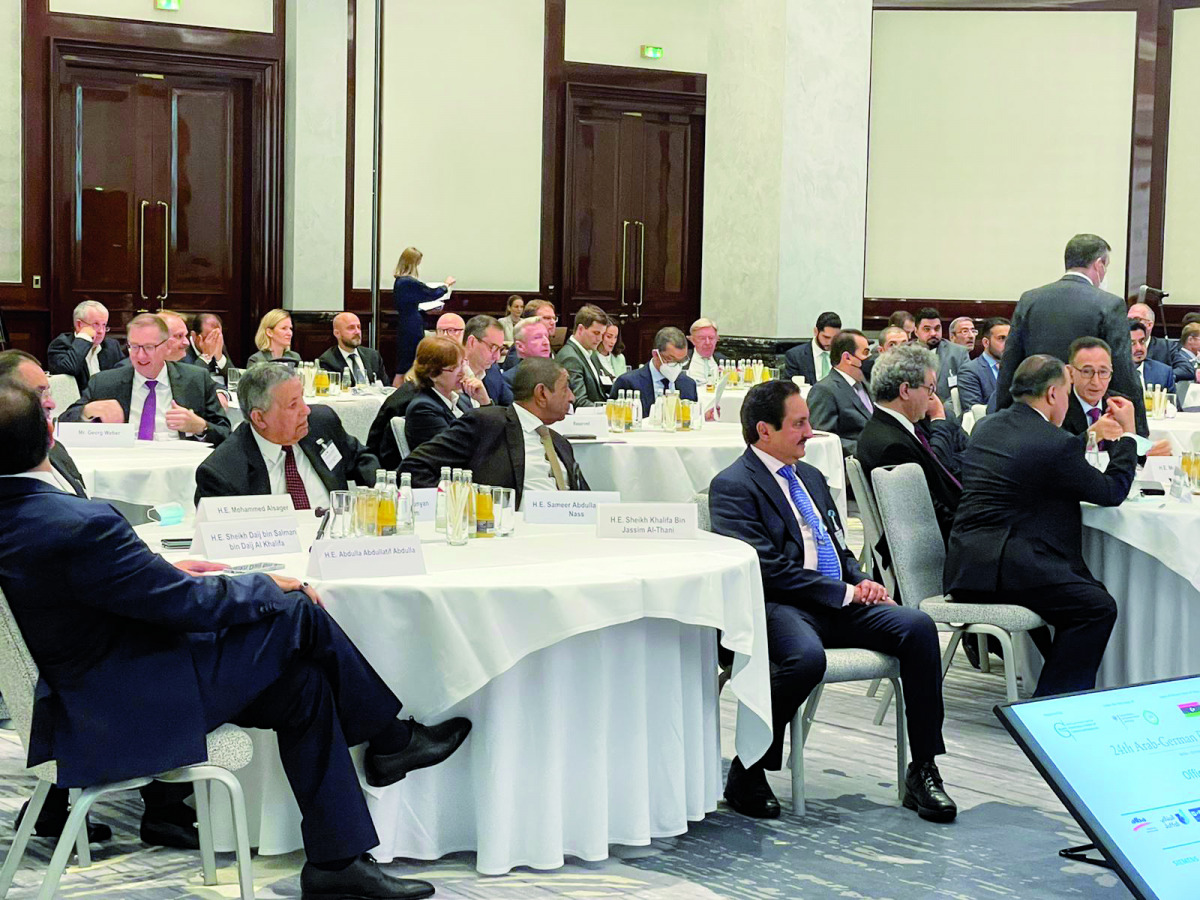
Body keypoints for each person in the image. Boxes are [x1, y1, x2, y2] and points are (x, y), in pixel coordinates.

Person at [0, 379, 470, 900]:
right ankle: (390, 739)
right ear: (50, 433)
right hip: (126, 707)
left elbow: (87, 588)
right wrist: (261, 584)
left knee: (305, 684)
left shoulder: (24, 518)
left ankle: (336, 862)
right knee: (297, 613)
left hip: (85, 694)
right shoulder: (78, 523)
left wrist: (163, 572)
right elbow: (186, 608)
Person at [0, 351, 233, 849]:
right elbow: (70, 549)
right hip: (90, 667)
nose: (52, 405)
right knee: (248, 627)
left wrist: (152, 565)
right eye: (40, 398)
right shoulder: (26, 482)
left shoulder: (49, 458)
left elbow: (82, 545)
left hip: (81, 621)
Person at [707, 380, 955, 823]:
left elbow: (838, 548)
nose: (811, 432)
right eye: (799, 424)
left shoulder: (812, 477)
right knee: (804, 659)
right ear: (764, 431)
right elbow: (765, 568)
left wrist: (862, 580)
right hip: (776, 606)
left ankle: (923, 770)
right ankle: (748, 772)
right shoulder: (732, 486)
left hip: (834, 602)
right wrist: (842, 591)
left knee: (917, 626)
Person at [945, 355, 1136, 697]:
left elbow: (1041, 459)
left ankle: (1055, 690)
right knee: (1095, 607)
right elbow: (1110, 492)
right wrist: (1128, 438)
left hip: (967, 562)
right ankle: (1051, 706)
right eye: (1067, 392)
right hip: (1006, 566)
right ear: (1052, 394)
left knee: (1085, 599)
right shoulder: (1053, 442)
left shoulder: (986, 425)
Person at [995, 233, 1147, 435]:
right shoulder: (1110, 304)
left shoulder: (1030, 299)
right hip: (1086, 420)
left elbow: (1010, 363)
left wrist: (1002, 417)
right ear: (1100, 264)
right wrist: (1138, 431)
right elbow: (1121, 369)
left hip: (1033, 413)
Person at [401, 358, 588, 509]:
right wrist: (465, 504)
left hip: (569, 535)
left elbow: (587, 500)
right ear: (542, 393)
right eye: (565, 388)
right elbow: (414, 468)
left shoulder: (560, 443)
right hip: (510, 538)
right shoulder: (486, 424)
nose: (572, 397)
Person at [194, 363, 380, 509]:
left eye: (302, 398)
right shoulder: (222, 473)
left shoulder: (321, 423)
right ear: (259, 418)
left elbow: (360, 457)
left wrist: (380, 489)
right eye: (293, 405)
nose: (305, 410)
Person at [60, 314, 229, 446]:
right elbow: (62, 423)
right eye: (134, 346)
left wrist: (200, 427)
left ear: (167, 346)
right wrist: (87, 411)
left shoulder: (196, 379)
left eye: (149, 347)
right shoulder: (105, 382)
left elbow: (226, 434)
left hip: (179, 468)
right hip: (122, 467)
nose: (140, 356)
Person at [855, 344, 962, 544]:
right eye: (929, 388)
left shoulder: (891, 428)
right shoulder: (892, 446)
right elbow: (929, 514)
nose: (932, 397)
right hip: (938, 546)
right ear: (905, 390)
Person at [1060, 337, 1171, 457]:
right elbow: (1055, 456)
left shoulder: (1124, 405)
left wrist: (1150, 452)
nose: (1096, 382)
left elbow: (1136, 455)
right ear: (1070, 373)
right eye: (1087, 372)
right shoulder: (1058, 405)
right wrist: (1091, 436)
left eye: (1103, 372)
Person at [403, 337, 490, 452]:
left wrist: (485, 402)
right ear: (433, 374)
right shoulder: (422, 409)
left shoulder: (462, 400)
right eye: (454, 368)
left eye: (463, 364)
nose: (463, 372)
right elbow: (454, 450)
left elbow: (493, 434)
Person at [807, 329, 873, 457]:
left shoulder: (867, 384)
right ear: (847, 357)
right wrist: (868, 449)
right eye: (865, 353)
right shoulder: (825, 390)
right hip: (854, 463)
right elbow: (825, 440)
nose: (869, 358)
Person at [392, 246, 454, 382]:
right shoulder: (408, 282)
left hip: (405, 322)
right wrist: (446, 285)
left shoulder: (400, 281)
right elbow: (430, 293)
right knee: (408, 362)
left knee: (404, 362)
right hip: (412, 325)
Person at [611, 326, 699, 416]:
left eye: (681, 361)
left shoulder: (688, 384)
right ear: (656, 354)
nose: (676, 365)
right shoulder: (627, 383)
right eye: (670, 359)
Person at [47, 300, 125, 392]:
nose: (101, 331)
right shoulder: (61, 345)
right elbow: (69, 369)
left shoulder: (111, 346)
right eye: (95, 325)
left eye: (104, 325)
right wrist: (84, 338)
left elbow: (123, 374)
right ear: (79, 325)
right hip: (77, 404)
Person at [554, 304, 610, 406]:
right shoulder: (570, 358)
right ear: (580, 329)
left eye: (602, 334)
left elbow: (605, 383)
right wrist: (610, 411)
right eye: (596, 333)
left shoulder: (591, 352)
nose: (600, 339)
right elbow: (579, 401)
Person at [913, 307, 969, 407]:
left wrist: (941, 409)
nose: (933, 333)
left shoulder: (958, 353)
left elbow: (965, 387)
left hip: (948, 412)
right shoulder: (905, 354)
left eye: (937, 328)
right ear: (916, 331)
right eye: (927, 329)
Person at [317, 312, 388, 387]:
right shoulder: (328, 361)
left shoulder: (373, 356)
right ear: (337, 333)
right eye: (351, 328)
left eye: (359, 327)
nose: (357, 332)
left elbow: (386, 387)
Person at [958, 317, 1009, 410]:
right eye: (1001, 338)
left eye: (1010, 339)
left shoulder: (1017, 368)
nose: (1008, 344)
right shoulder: (969, 371)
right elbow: (974, 411)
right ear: (986, 342)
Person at [464, 314, 512, 406]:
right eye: (493, 348)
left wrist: (487, 403)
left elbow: (508, 411)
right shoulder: (451, 374)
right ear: (472, 342)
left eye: (500, 349)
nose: (497, 357)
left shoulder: (493, 371)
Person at [783, 311, 841, 384]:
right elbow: (790, 389)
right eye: (826, 337)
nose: (829, 342)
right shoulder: (796, 356)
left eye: (834, 338)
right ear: (816, 331)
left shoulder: (843, 355)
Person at [503, 301, 559, 370]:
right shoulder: (518, 350)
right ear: (532, 320)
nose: (553, 322)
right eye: (547, 318)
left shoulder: (547, 344)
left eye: (554, 318)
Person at [501, 318, 553, 385]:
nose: (546, 342)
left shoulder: (558, 372)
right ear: (520, 346)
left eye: (547, 336)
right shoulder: (509, 380)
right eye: (537, 337)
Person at [1129, 319, 1175, 392]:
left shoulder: (1164, 372)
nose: (1139, 348)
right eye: (1132, 343)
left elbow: (1173, 402)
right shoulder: (1113, 374)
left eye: (1142, 341)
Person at [186, 312, 231, 378]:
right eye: (209, 337)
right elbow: (189, 380)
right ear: (194, 336)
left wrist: (220, 357)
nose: (213, 342)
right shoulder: (183, 350)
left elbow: (233, 377)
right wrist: (206, 356)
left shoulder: (218, 343)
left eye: (217, 336)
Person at [686, 318, 723, 385]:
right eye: (702, 338)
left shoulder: (724, 362)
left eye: (711, 338)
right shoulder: (682, 360)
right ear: (692, 340)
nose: (707, 342)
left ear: (717, 339)